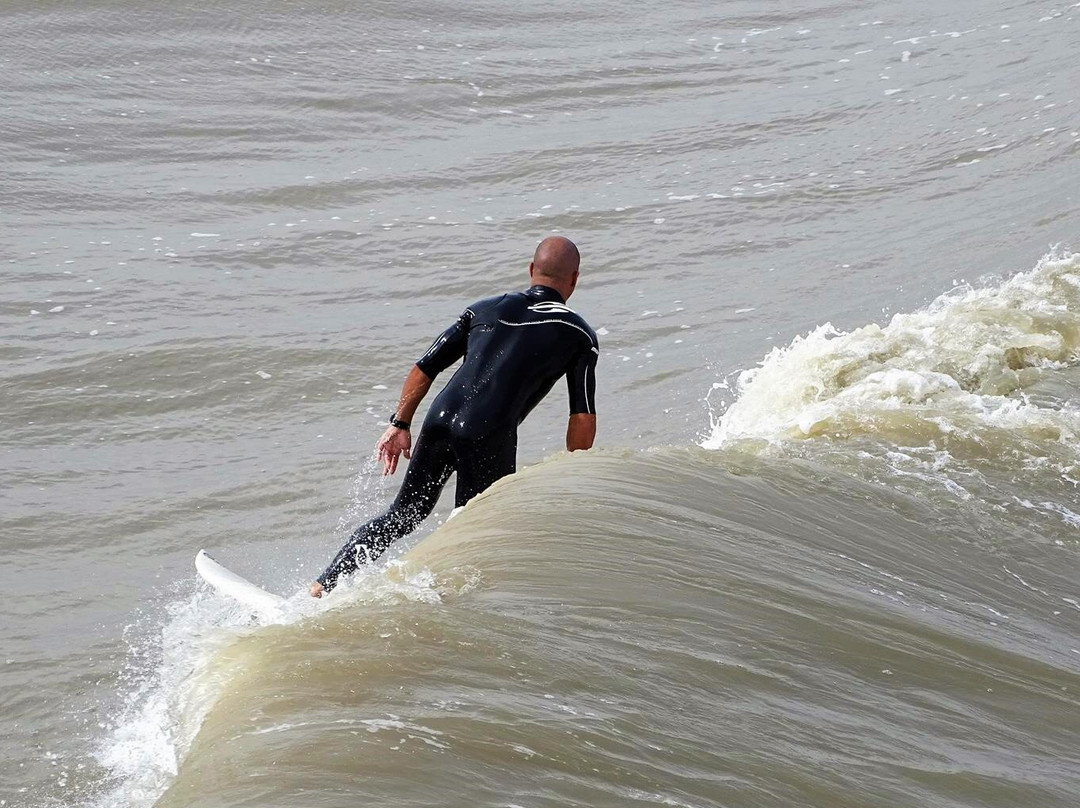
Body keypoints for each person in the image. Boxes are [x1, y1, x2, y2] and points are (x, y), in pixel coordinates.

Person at [310, 236, 598, 597]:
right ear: (574, 279)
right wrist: (574, 469)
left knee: (402, 516)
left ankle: (324, 584)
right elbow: (582, 414)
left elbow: (424, 367)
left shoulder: (482, 309)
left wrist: (399, 423)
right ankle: (436, 599)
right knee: (479, 528)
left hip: (439, 419)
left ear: (531, 270)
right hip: (488, 435)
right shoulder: (578, 335)